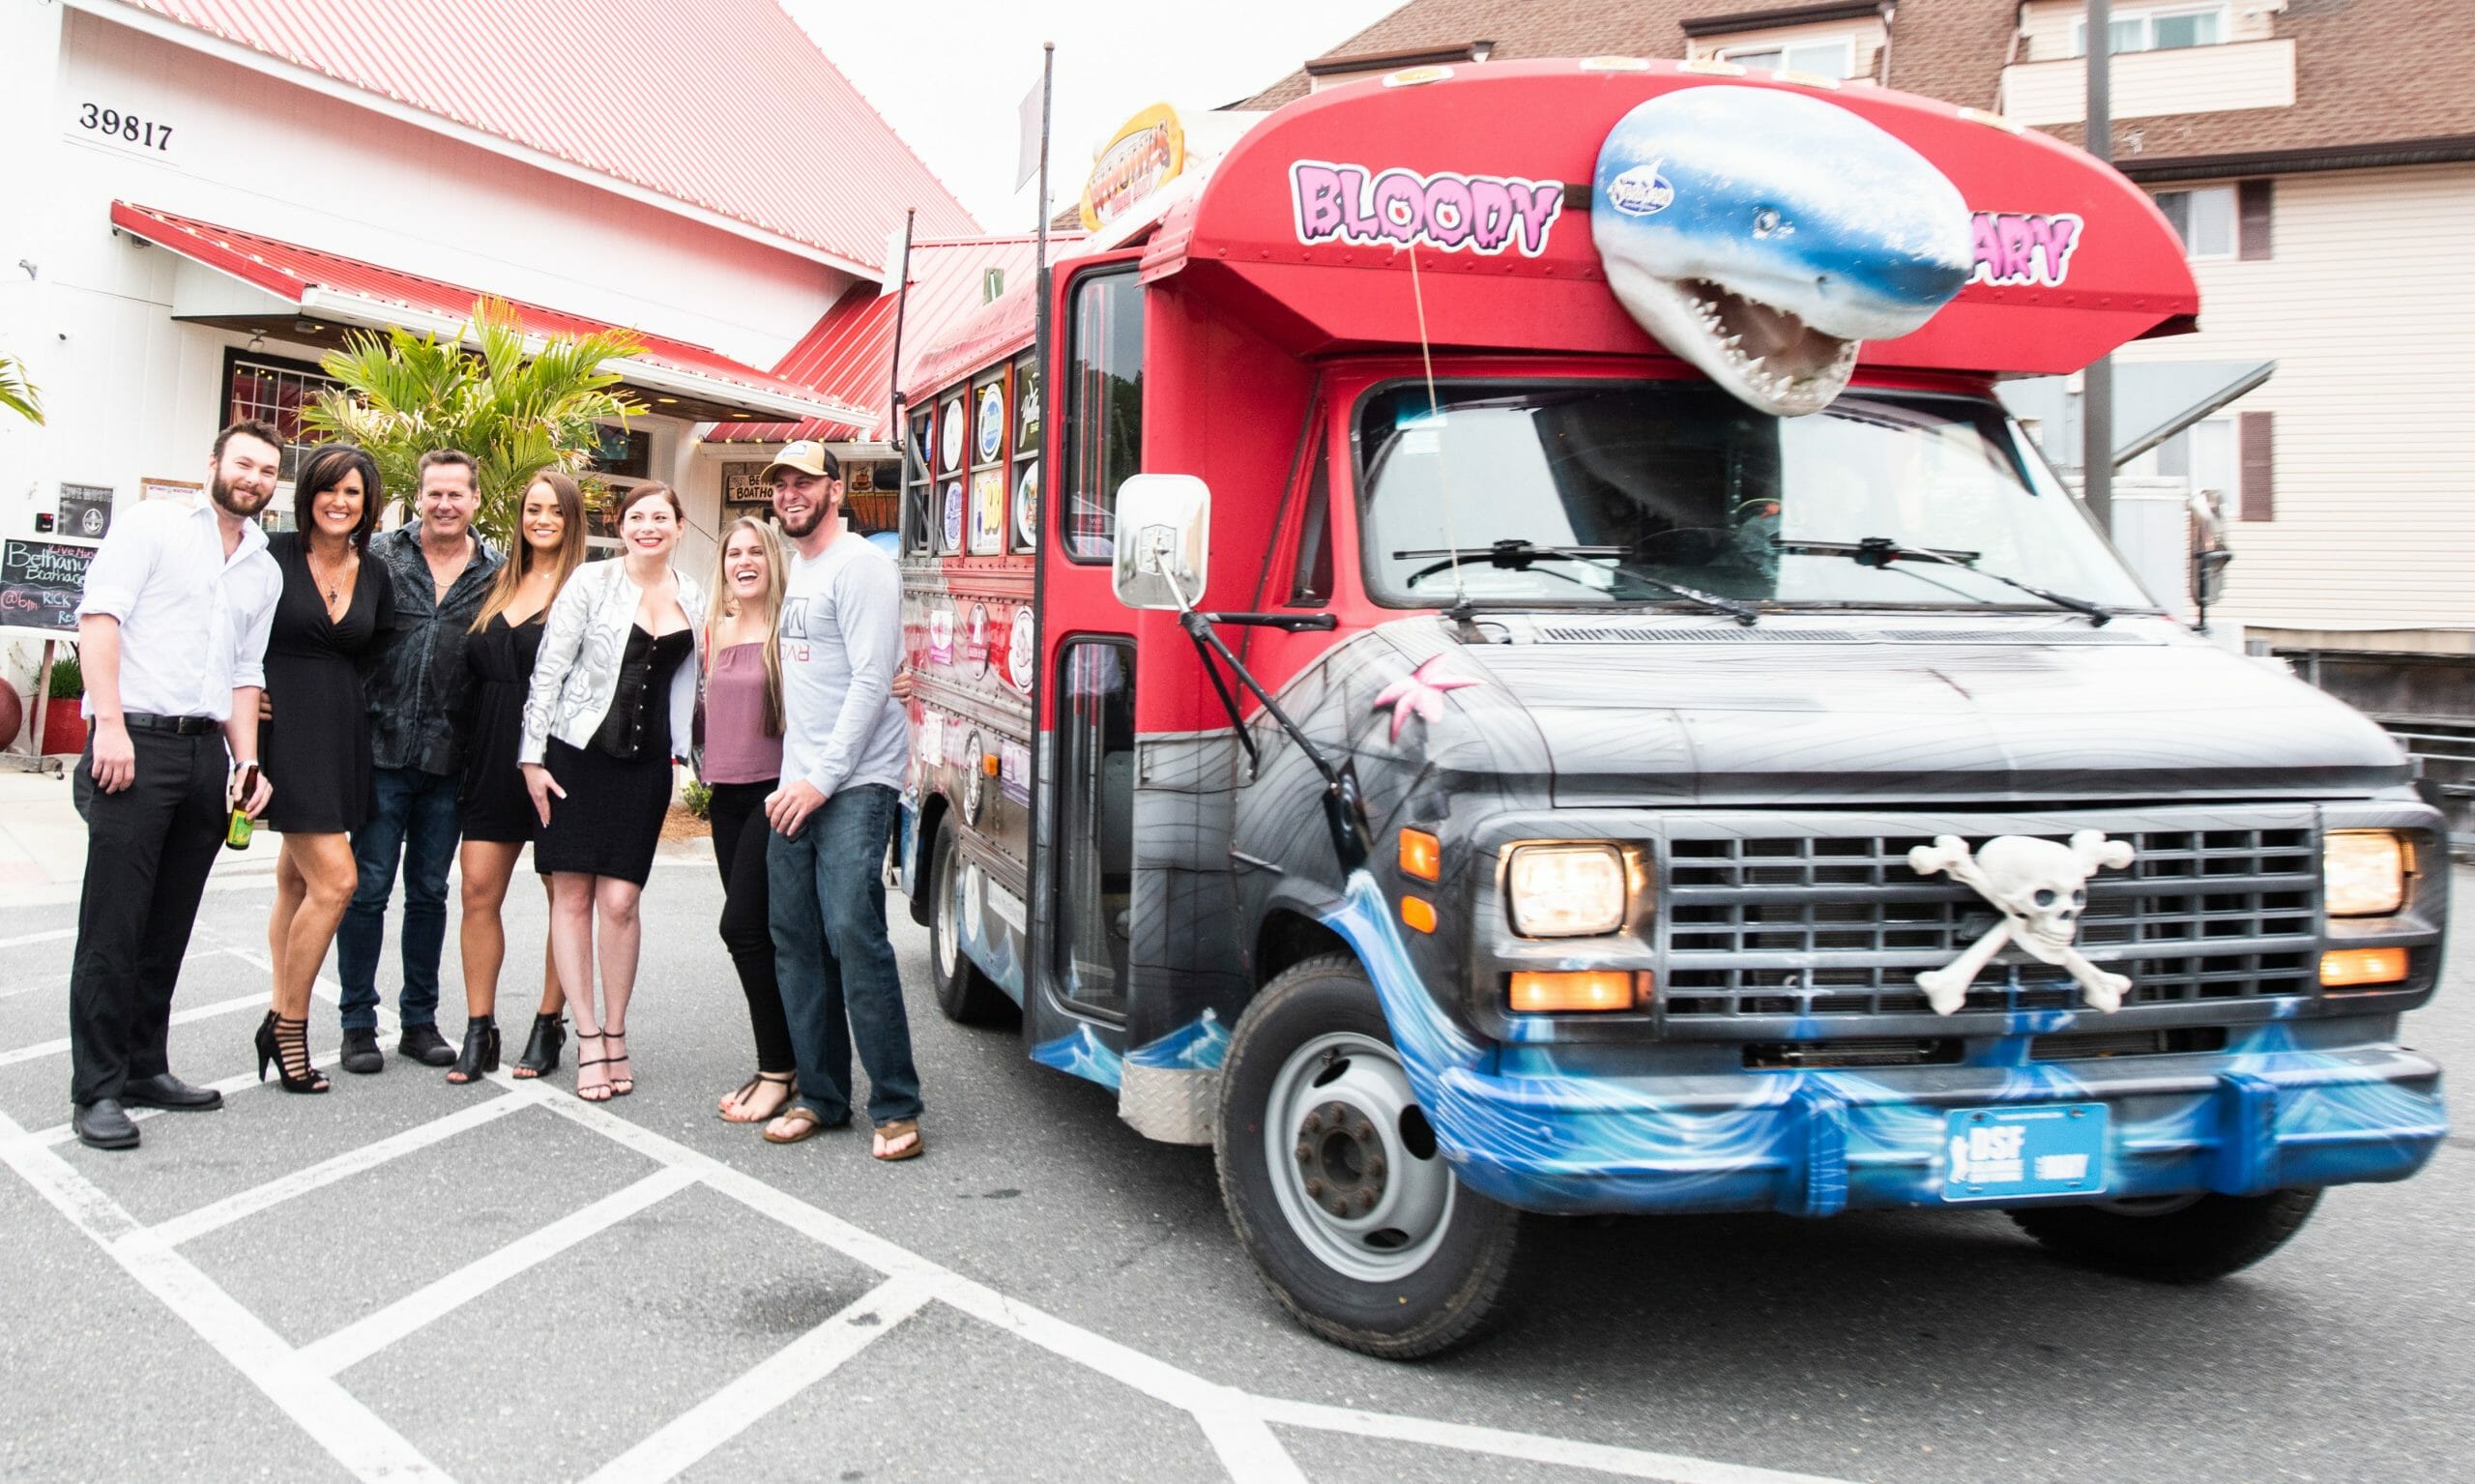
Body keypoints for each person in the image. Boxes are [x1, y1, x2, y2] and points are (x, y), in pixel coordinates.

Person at [64, 420, 282, 1149]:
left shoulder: (262, 564)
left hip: (203, 759)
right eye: (243, 463)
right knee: (113, 926)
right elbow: (100, 621)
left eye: (265, 471)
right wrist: (112, 726)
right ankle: (95, 1088)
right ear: (215, 463)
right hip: (135, 745)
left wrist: (245, 762)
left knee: (168, 924)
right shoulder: (153, 525)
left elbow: (245, 675)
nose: (252, 478)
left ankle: (143, 1067)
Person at [755, 441, 922, 1160]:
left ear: (835, 486)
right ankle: (822, 1095)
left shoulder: (861, 565)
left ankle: (896, 1105)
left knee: (854, 931)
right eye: (781, 483)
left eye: (803, 481)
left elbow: (869, 679)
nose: (790, 492)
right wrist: (798, 774)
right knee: (795, 938)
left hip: (851, 780)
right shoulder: (802, 565)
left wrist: (820, 778)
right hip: (801, 778)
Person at [520, 482, 704, 1102]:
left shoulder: (696, 595)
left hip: (647, 766)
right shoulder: (590, 583)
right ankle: (591, 1038)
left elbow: (696, 683)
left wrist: (686, 754)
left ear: (680, 527)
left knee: (622, 901)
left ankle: (618, 1029)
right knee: (570, 897)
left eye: (661, 517)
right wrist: (531, 758)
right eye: (636, 517)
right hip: (575, 757)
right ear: (620, 527)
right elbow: (548, 669)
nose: (648, 526)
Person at [336, 449, 502, 1073]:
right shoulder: (377, 555)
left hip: (449, 760)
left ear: (475, 500)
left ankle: (418, 1020)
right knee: (367, 889)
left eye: (457, 494)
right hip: (377, 751)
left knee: (429, 893)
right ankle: (356, 1022)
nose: (444, 504)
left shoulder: (495, 572)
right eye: (434, 493)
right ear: (420, 494)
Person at [254, 444, 393, 1093]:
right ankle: (290, 1025)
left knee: (296, 882)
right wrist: (242, 689)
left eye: (354, 494)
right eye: (329, 489)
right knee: (337, 882)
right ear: (308, 492)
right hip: (281, 731)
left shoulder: (375, 571)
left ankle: (276, 1006)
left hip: (341, 736)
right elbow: (227, 629)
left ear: (368, 507)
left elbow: (377, 652)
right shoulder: (270, 555)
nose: (340, 502)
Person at [447, 472, 585, 1086]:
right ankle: (480, 1028)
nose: (543, 518)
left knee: (565, 899)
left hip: (558, 760)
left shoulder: (588, 587)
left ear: (572, 518)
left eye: (555, 509)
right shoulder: (495, 579)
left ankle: (548, 1020)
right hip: (490, 754)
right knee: (477, 891)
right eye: (533, 508)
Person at [700, 516, 798, 1124]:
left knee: (743, 928)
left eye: (754, 550)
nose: (744, 560)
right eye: (733, 552)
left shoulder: (792, 626)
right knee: (760, 934)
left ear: (772, 558)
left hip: (775, 794)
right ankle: (786, 1060)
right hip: (725, 797)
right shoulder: (713, 625)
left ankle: (778, 1070)